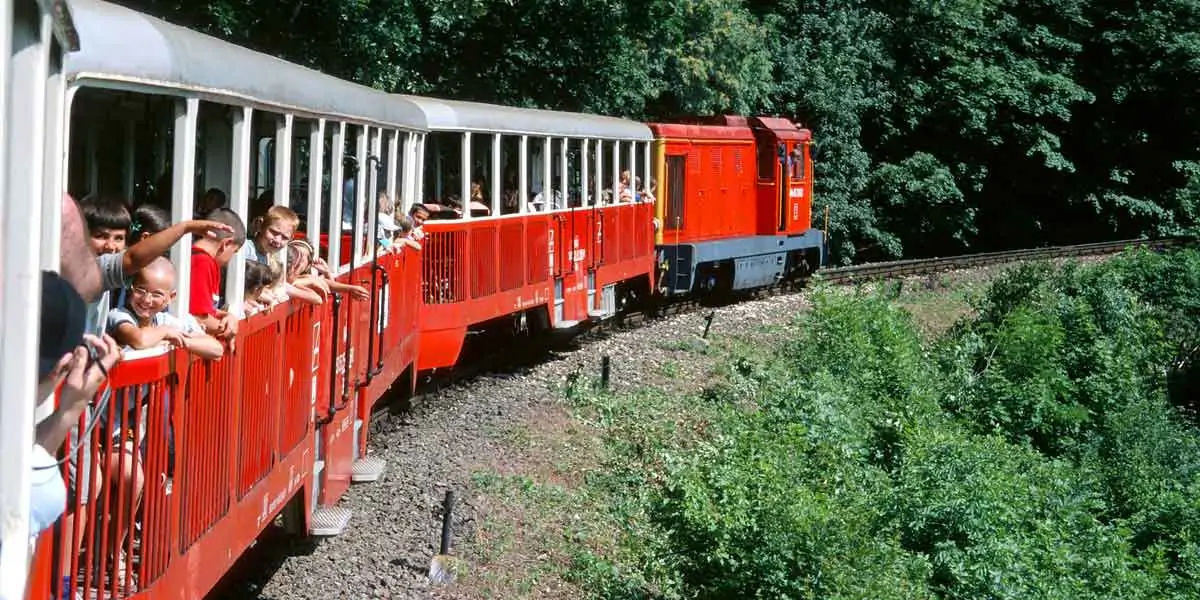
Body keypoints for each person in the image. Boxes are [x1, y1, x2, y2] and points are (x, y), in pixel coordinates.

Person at [107, 257, 224, 359]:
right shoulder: (118, 315)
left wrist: (182, 342)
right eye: (140, 290)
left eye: (156, 294)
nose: (146, 299)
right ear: (131, 288)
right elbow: (140, 340)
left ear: (170, 297)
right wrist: (165, 332)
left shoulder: (164, 320)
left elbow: (217, 349)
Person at [190, 208, 245, 344]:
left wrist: (228, 316)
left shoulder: (205, 261)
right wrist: (228, 329)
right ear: (226, 244)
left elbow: (206, 310)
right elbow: (197, 316)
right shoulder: (203, 262)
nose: (231, 258)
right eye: (235, 251)